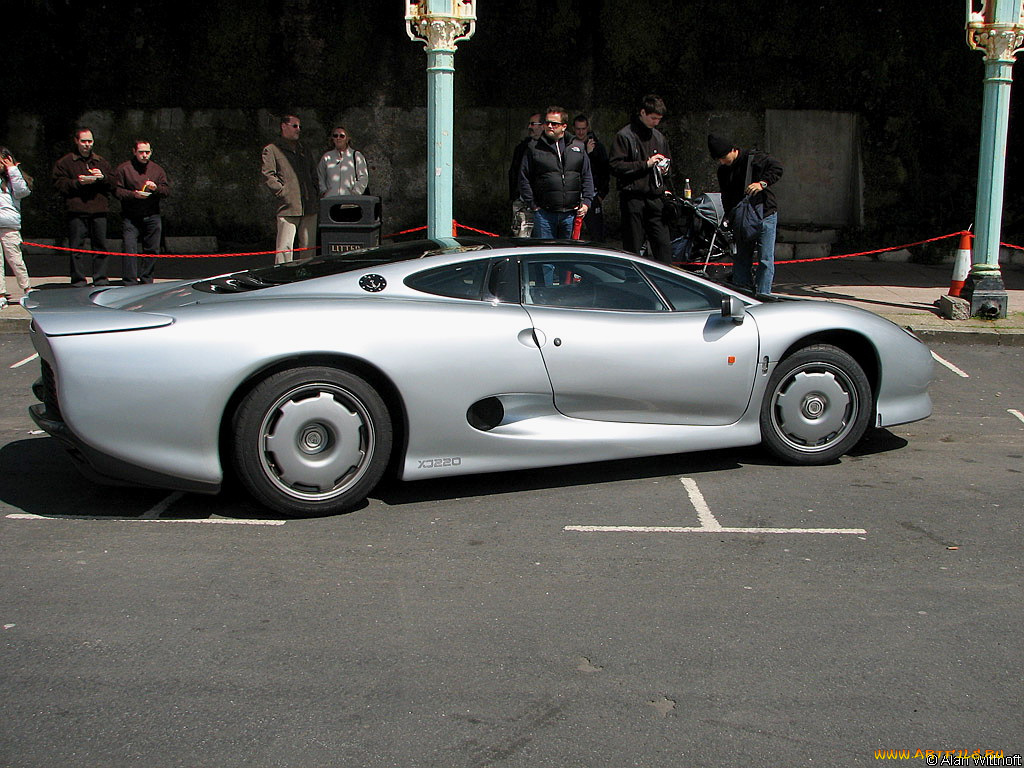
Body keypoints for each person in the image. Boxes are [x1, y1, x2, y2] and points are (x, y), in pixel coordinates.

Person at [708, 133, 784, 294]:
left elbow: (777, 167)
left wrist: (762, 183)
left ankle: (763, 295)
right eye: (718, 159)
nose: (722, 161)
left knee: (765, 259)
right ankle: (743, 293)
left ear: (733, 150)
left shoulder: (754, 158)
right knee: (741, 258)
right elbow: (725, 196)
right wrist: (729, 217)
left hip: (765, 213)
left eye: (723, 157)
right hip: (741, 218)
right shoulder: (723, 171)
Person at [609, 94, 674, 263]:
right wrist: (645, 164)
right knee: (633, 246)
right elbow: (615, 166)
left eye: (659, 119)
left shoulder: (659, 137)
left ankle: (666, 279)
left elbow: (668, 167)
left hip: (655, 196)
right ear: (642, 113)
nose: (656, 122)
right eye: (653, 118)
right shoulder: (625, 136)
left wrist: (664, 171)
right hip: (633, 196)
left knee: (663, 245)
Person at [518, 106, 594, 239]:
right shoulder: (533, 148)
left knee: (567, 255)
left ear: (564, 126)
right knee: (545, 255)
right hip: (544, 214)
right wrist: (533, 205)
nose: (550, 126)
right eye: (547, 123)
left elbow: (587, 175)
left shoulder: (577, 147)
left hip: (571, 214)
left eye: (554, 124)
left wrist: (587, 202)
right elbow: (523, 178)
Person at [52, 127, 115, 286]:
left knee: (100, 246)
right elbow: (59, 184)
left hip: (99, 210)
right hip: (77, 210)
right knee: (76, 248)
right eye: (84, 141)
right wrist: (77, 183)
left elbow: (114, 183)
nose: (87, 145)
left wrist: (102, 178)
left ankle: (100, 279)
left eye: (90, 141)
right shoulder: (66, 162)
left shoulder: (101, 162)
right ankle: (78, 280)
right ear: (76, 141)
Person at [261, 114, 318, 263]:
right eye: (294, 126)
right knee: (285, 248)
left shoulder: (304, 149)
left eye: (300, 126)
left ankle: (307, 277)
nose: (298, 129)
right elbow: (268, 175)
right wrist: (282, 192)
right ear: (283, 126)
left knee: (308, 248)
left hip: (308, 204)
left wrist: (314, 191)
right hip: (288, 206)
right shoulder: (272, 149)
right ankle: (282, 279)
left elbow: (313, 172)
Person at [114, 140, 170, 285]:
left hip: (152, 215)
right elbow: (117, 191)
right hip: (131, 216)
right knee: (129, 249)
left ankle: (146, 280)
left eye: (147, 152)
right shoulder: (124, 169)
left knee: (152, 250)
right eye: (141, 152)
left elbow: (166, 191)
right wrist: (133, 194)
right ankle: (130, 282)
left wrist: (155, 188)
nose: (145, 155)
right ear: (134, 152)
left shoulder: (157, 169)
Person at [0, 147, 32, 308]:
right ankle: (0, 294)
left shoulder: (13, 178)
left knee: (15, 259)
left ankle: (27, 289)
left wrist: (12, 170)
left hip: (9, 225)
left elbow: (22, 192)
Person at [570, 114, 610, 241]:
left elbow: (604, 171)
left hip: (593, 195)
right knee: (573, 234)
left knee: (596, 233)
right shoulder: (569, 146)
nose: (581, 132)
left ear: (588, 128)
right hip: (574, 196)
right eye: (578, 129)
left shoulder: (598, 147)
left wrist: (601, 194)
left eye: (583, 129)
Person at [508, 112, 543, 237]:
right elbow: (514, 173)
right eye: (529, 124)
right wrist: (516, 195)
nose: (530, 127)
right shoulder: (522, 148)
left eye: (533, 124)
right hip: (524, 203)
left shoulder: (554, 148)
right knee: (522, 239)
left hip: (545, 205)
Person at [317, 126, 368, 197]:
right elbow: (320, 176)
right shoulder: (327, 157)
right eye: (335, 136)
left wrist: (355, 193)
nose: (338, 138)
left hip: (350, 201)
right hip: (331, 201)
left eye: (342, 136)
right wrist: (324, 192)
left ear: (347, 139)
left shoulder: (357, 156)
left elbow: (363, 177)